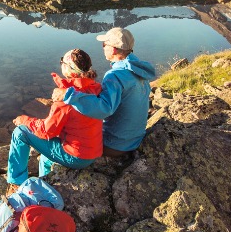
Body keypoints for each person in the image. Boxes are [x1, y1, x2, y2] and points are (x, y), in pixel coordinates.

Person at [6, 48, 104, 194]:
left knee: (20, 133)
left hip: (76, 157)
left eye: (62, 62)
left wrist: (24, 120)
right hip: (92, 152)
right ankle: (45, 182)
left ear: (69, 69)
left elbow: (46, 132)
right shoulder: (95, 88)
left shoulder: (65, 99)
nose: (61, 64)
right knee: (46, 158)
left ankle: (16, 183)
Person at [54, 27, 156, 157]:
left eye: (104, 45)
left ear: (113, 49)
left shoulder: (115, 75)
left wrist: (68, 95)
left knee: (66, 136)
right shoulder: (139, 70)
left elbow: (104, 109)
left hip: (115, 144)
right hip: (134, 140)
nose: (102, 47)